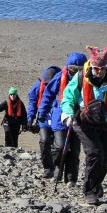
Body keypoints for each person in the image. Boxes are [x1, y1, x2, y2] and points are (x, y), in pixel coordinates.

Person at [60, 45, 107, 205]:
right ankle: (89, 191)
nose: (99, 72)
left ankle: (96, 185)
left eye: (102, 69)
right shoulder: (80, 77)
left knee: (106, 155)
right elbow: (68, 98)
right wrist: (67, 114)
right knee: (95, 153)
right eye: (96, 69)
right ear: (91, 66)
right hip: (84, 121)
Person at [37, 53, 86, 184]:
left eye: (78, 69)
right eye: (72, 68)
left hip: (79, 117)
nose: (74, 72)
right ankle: (56, 167)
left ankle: (71, 178)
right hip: (60, 117)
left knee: (74, 150)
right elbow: (48, 95)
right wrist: (42, 112)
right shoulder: (59, 77)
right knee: (60, 146)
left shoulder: (87, 80)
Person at [27, 65, 61, 178]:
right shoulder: (38, 86)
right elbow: (32, 102)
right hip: (44, 119)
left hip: (58, 119)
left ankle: (56, 166)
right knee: (44, 141)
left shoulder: (63, 84)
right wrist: (30, 118)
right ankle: (47, 168)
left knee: (58, 145)